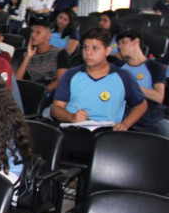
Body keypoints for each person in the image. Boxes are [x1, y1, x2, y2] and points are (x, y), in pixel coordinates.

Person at [51, 27, 147, 161]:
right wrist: (71, 117)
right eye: (85, 48)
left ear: (107, 50)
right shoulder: (71, 75)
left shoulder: (123, 76)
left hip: (106, 133)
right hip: (74, 128)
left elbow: (141, 105)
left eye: (95, 48)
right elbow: (56, 108)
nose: (88, 53)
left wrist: (125, 124)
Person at [115, 30, 169, 136]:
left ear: (136, 41)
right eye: (118, 44)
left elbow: (158, 97)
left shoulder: (155, 67)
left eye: (123, 42)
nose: (119, 46)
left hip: (150, 116)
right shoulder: (117, 66)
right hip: (122, 114)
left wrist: (131, 86)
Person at [15, 22, 70, 94]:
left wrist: (41, 93)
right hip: (30, 92)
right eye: (32, 32)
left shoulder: (60, 52)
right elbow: (17, 80)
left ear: (48, 36)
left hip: (50, 93)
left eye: (38, 32)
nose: (33, 35)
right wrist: (28, 56)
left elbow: (61, 80)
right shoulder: (26, 54)